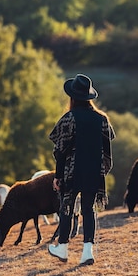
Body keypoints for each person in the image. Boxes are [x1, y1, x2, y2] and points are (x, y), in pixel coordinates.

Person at [48, 73, 115, 265]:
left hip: (71, 172)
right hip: (94, 172)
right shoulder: (102, 119)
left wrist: (58, 175)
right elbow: (107, 152)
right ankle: (88, 252)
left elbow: (60, 151)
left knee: (66, 207)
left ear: (73, 97)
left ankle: (62, 248)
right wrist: (101, 171)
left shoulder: (68, 119)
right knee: (89, 209)